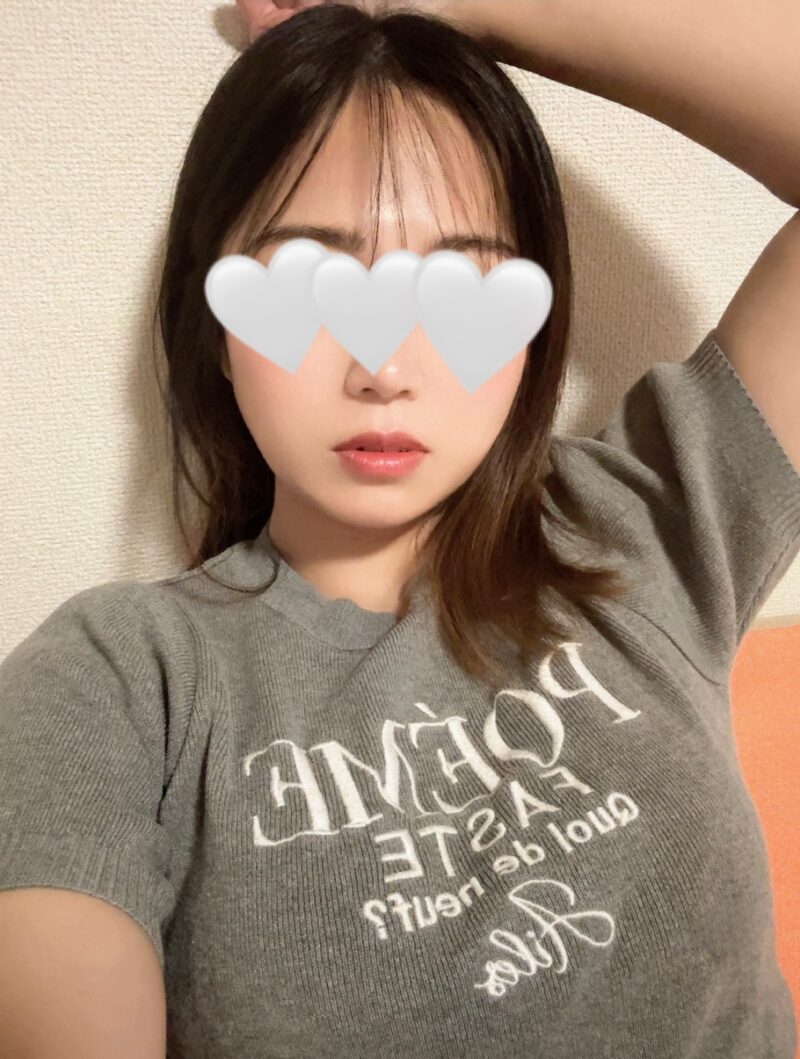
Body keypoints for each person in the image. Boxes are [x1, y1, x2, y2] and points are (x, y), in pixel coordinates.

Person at [1, 2, 799, 1057]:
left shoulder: (643, 521)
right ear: (219, 329)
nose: (383, 368)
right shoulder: (116, 678)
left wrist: (453, 5)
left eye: (461, 282)